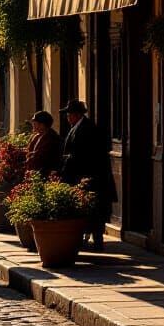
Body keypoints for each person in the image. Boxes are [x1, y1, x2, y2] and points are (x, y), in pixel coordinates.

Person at [60, 100, 115, 251]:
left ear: (77, 115)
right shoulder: (76, 128)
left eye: (69, 114)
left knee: (95, 211)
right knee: (88, 211)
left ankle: (97, 241)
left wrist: (69, 160)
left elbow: (86, 155)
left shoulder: (87, 129)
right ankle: (87, 238)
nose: (67, 117)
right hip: (81, 177)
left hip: (91, 178)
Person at [25, 110, 62, 178]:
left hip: (45, 174)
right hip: (33, 173)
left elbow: (43, 156)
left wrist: (31, 156)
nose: (33, 125)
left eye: (35, 123)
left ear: (42, 125)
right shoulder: (36, 135)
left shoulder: (52, 137)